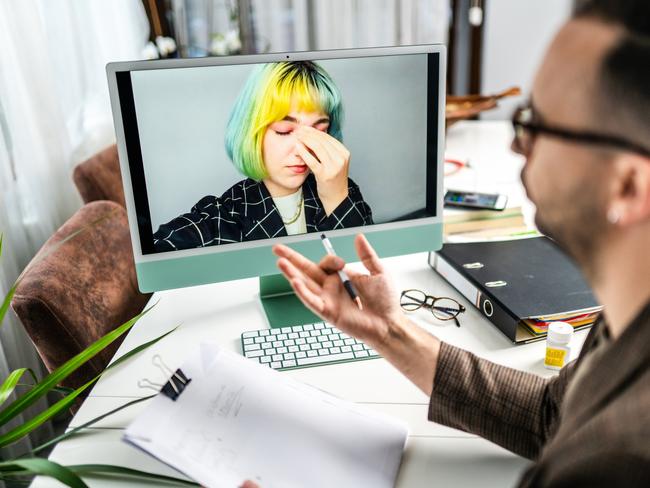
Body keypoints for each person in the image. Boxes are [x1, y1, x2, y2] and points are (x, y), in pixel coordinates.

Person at [265, 1, 650, 486]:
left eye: (536, 123)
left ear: (629, 187)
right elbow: (553, 418)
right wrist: (389, 331)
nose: (515, 144)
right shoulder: (631, 313)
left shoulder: (619, 462)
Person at [153, 61, 373, 252]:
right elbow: (159, 253)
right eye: (284, 131)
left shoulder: (343, 190)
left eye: (318, 132)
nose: (303, 150)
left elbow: (368, 272)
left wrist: (336, 199)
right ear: (252, 132)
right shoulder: (220, 219)